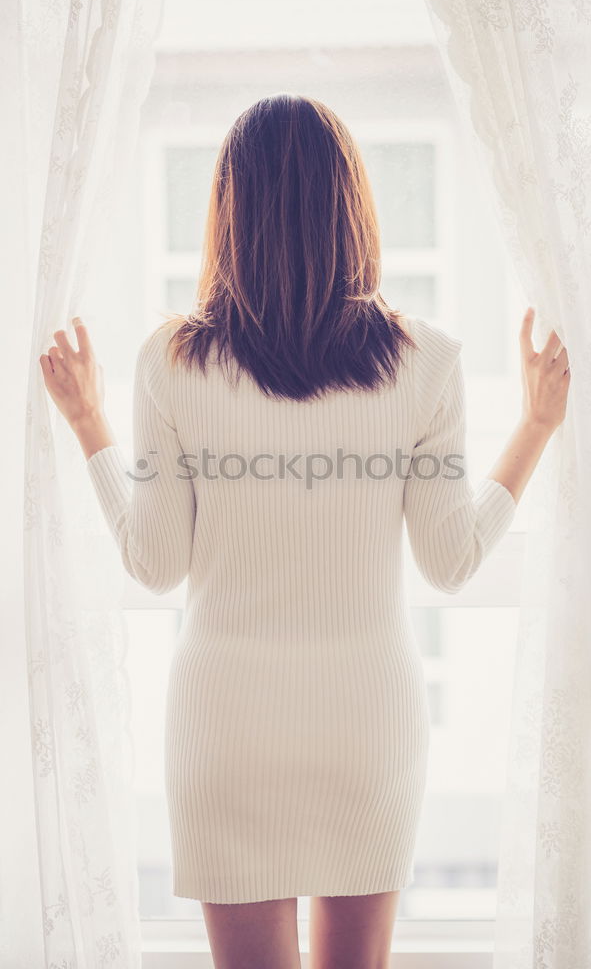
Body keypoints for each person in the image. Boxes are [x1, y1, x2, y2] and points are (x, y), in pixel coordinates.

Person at [40, 93, 570, 969]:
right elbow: (451, 561)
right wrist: (536, 427)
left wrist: (89, 424)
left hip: (227, 727)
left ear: (226, 213)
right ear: (352, 208)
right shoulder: (426, 360)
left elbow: (155, 563)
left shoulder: (170, 360)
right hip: (365, 726)